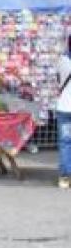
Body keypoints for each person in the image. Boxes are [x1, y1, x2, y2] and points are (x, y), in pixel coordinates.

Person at [57, 50, 71, 189]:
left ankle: (65, 177)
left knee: (66, 142)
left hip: (65, 106)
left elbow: (58, 79)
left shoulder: (62, 60)